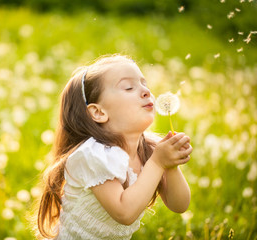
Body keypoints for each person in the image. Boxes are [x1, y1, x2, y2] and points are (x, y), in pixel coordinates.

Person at [36, 54, 193, 239]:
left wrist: (170, 166)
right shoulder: (92, 156)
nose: (145, 91)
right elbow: (124, 213)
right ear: (99, 112)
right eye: (128, 87)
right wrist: (158, 163)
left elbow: (179, 205)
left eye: (144, 84)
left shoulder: (151, 150)